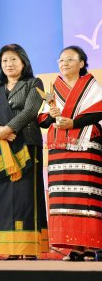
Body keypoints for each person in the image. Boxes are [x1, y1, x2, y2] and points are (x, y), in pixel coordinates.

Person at [38, 45, 102, 261]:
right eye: (61, 60)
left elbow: (98, 112)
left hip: (85, 146)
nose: (63, 63)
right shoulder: (54, 88)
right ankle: (74, 248)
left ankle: (90, 246)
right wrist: (52, 115)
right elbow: (45, 120)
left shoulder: (92, 86)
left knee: (85, 196)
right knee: (63, 197)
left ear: (82, 63)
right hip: (59, 150)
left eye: (69, 59)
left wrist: (73, 121)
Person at [0, 44, 48, 259]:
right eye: (4, 61)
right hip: (1, 147)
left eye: (13, 59)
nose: (8, 64)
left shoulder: (33, 83)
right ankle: (10, 249)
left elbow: (31, 110)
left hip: (26, 145)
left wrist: (9, 128)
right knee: (3, 197)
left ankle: (28, 249)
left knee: (25, 197)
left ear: (23, 62)